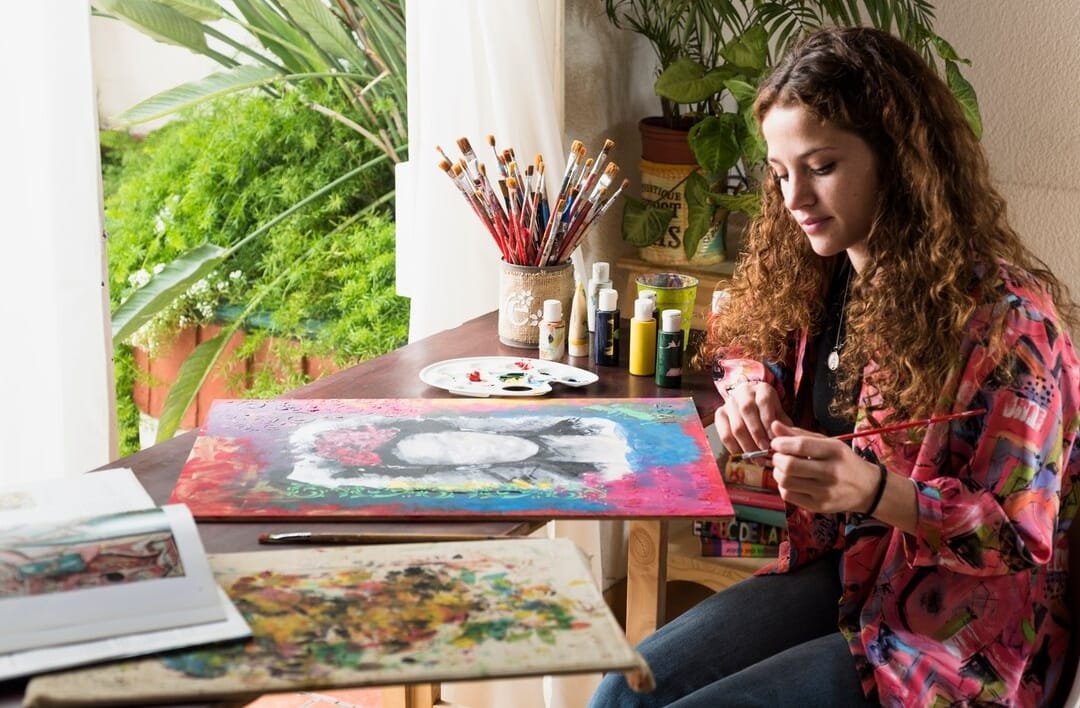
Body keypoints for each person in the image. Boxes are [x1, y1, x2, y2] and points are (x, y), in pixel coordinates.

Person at [591, 26, 1080, 707]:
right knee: (624, 691)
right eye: (779, 173)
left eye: (820, 167)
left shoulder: (1010, 323)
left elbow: (1018, 537)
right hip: (844, 573)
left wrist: (874, 490)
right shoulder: (815, 272)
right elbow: (743, 340)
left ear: (898, 160)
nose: (794, 199)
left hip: (953, 635)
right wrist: (750, 385)